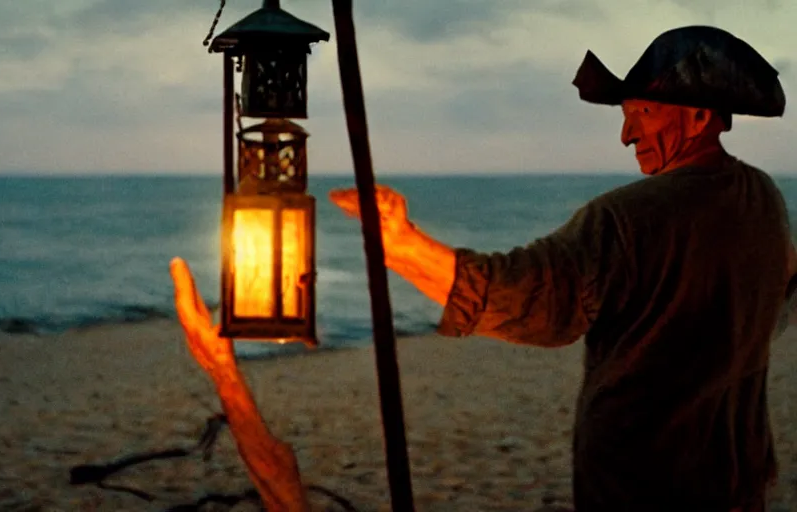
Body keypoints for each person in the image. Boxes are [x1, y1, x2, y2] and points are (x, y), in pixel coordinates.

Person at [328, 26, 791, 511]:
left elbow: (531, 299)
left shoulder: (628, 217)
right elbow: (777, 305)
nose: (627, 134)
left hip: (645, 480)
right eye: (626, 115)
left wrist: (401, 243)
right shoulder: (764, 199)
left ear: (699, 117)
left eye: (642, 114)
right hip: (738, 478)